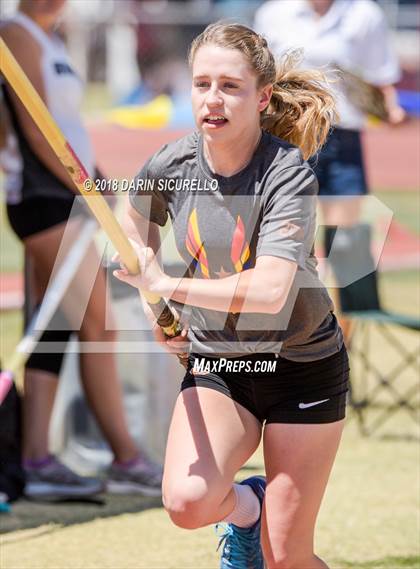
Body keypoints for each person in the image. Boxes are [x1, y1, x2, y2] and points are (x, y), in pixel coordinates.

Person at [115, 22, 349, 569]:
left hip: (300, 366)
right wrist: (152, 289)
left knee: (287, 557)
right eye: (201, 85)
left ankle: (267, 526)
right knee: (187, 503)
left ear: (262, 96)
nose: (211, 100)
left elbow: (270, 290)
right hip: (220, 361)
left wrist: (166, 284)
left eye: (230, 86)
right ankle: (248, 508)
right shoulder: (172, 163)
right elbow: (133, 227)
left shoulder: (286, 174)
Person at [0, 0, 161, 498]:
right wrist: (83, 188)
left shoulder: (52, 39)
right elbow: (35, 128)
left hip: (67, 192)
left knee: (56, 324)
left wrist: (99, 179)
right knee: (96, 321)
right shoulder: (16, 30)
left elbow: (67, 126)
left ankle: (37, 458)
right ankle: (127, 458)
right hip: (44, 196)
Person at [254, 0, 406, 336]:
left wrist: (390, 109)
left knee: (346, 243)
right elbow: (259, 77)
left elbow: (381, 77)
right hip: (287, 135)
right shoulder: (274, 13)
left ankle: (343, 344)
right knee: (285, 234)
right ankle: (284, 331)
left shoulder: (364, 14)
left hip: (342, 135)